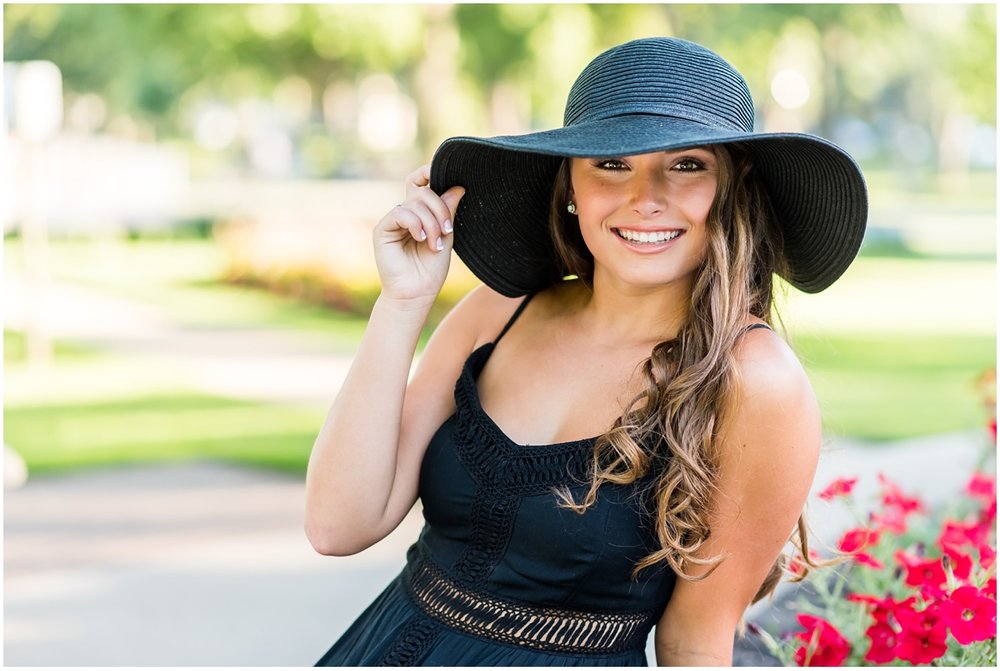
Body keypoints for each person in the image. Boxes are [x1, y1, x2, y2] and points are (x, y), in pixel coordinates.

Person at [305, 36, 867, 666]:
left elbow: (694, 641)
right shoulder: (500, 312)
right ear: (569, 183)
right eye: (612, 164)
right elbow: (338, 525)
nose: (645, 196)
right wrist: (400, 306)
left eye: (687, 165)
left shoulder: (752, 380)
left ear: (730, 190)